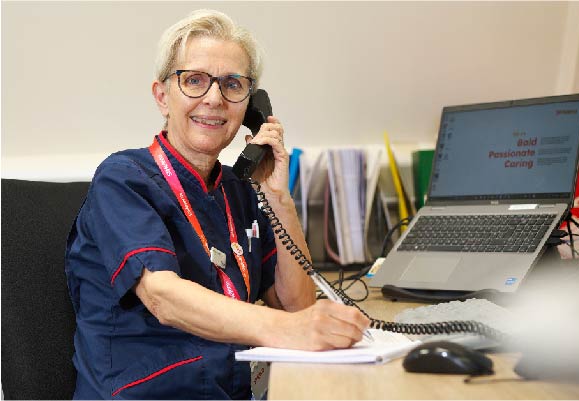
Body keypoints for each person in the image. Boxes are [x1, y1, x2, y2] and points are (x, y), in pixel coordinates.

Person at [65, 9, 370, 400]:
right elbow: (163, 297)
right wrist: (287, 329)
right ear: (162, 96)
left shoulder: (240, 191)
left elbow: (297, 307)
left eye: (232, 84)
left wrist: (279, 198)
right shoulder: (123, 179)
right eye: (194, 81)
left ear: (251, 106)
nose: (214, 98)